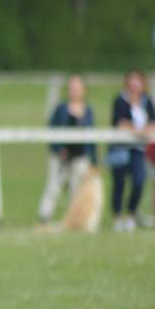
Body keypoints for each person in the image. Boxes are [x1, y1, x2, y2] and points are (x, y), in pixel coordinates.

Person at [38, 75, 98, 223]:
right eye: (72, 88)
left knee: (77, 190)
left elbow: (92, 137)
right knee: (53, 187)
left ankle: (75, 219)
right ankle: (44, 217)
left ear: (84, 90)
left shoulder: (88, 110)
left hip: (80, 156)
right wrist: (59, 149)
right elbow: (52, 131)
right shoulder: (60, 109)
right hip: (61, 157)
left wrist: (94, 160)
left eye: (78, 88)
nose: (75, 91)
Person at [108, 69, 155, 231]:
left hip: (138, 149)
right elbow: (120, 123)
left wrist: (143, 131)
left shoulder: (147, 101)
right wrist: (139, 132)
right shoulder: (120, 100)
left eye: (138, 81)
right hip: (120, 148)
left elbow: (153, 122)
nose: (135, 84)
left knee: (139, 181)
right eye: (132, 80)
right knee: (119, 183)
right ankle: (117, 216)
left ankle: (131, 213)